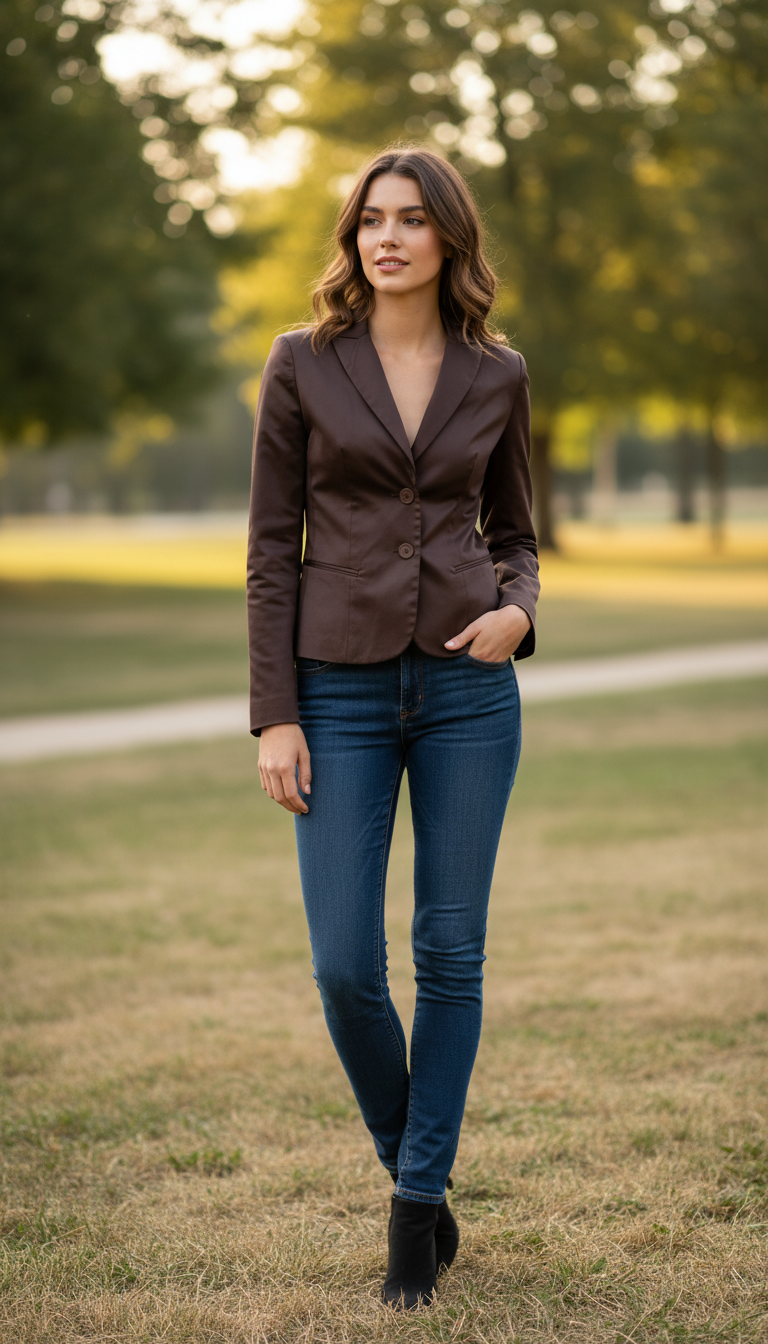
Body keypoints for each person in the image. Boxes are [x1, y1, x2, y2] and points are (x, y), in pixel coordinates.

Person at [247, 146, 539, 1310]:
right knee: (342, 966)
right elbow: (272, 551)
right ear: (352, 237)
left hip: (469, 690)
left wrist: (520, 611)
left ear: (449, 239)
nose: (390, 238)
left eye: (414, 220)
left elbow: (516, 529)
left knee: (450, 955)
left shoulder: (499, 372)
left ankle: (414, 1220)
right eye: (373, 219)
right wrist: (275, 713)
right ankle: (414, 1168)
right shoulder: (301, 364)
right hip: (338, 690)